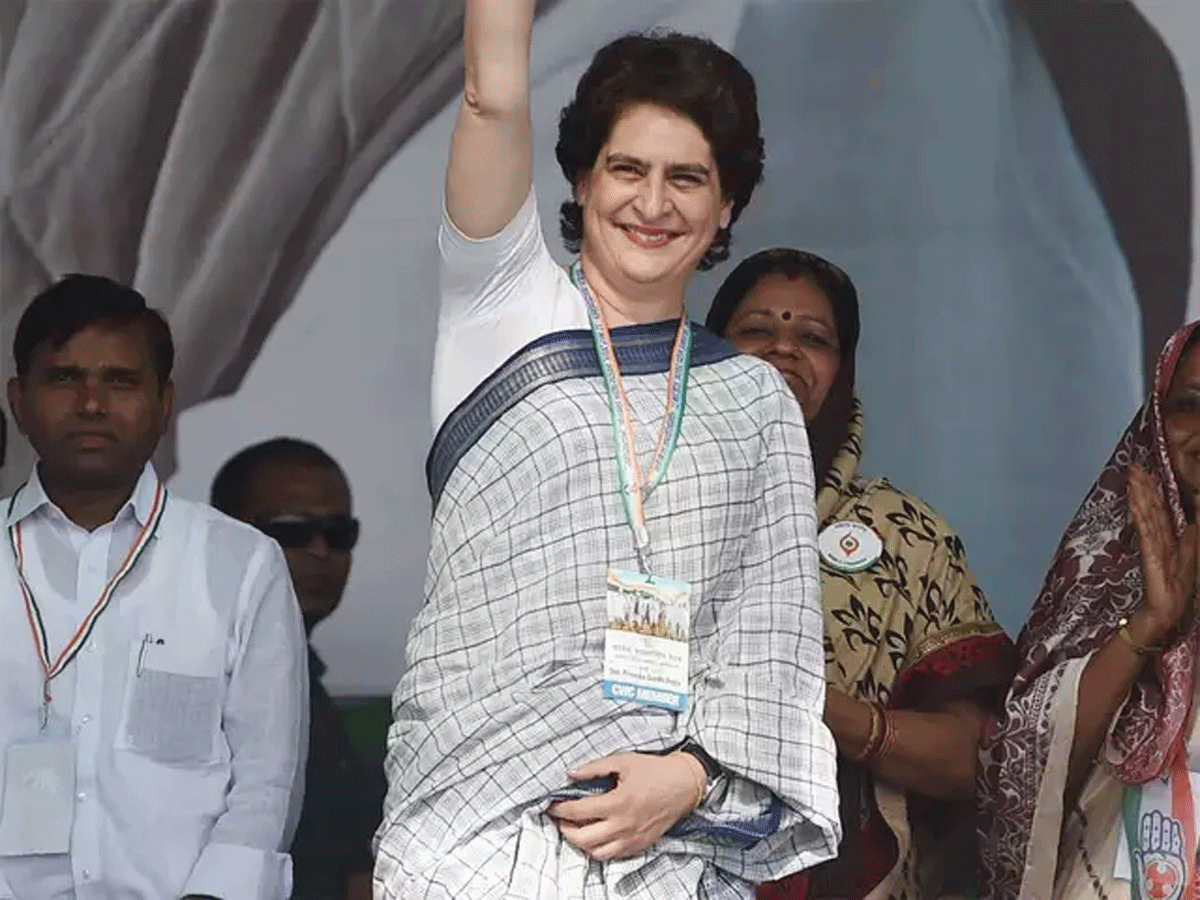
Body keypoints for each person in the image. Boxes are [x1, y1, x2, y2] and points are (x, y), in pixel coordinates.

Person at [373, 2, 840, 898]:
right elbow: (489, 98)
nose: (653, 204)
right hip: (466, 848)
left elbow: (771, 651)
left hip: (668, 858)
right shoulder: (503, 306)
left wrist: (690, 779)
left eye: (687, 178)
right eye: (627, 169)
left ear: (727, 205)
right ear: (582, 179)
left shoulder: (754, 402)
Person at [705, 248, 1017, 900]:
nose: (783, 348)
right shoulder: (639, 509)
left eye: (813, 338)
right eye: (756, 329)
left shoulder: (906, 537)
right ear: (707, 355)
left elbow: (980, 757)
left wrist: (828, 713)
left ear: (842, 371)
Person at [0, 274, 307, 899]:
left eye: (121, 381)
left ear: (165, 405)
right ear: (18, 401)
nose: (92, 404)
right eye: (64, 378)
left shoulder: (241, 564)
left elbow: (267, 782)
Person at [979, 319, 1200, 899]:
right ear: (1158, 423)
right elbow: (1026, 769)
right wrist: (1150, 624)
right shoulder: (1107, 564)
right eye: (1190, 405)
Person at [211, 438, 384, 900]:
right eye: (291, 532)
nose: (321, 551)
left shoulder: (306, 681)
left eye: (339, 533)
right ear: (226, 535)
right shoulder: (200, 678)